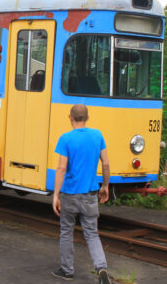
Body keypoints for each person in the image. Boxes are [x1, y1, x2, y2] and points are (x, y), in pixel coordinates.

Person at [52, 104, 111, 284]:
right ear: (87, 117)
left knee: (67, 231)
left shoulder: (66, 139)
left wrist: (55, 195)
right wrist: (105, 186)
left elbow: (62, 168)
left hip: (70, 194)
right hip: (91, 193)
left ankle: (67, 270)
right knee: (92, 233)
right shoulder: (97, 135)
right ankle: (101, 268)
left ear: (70, 117)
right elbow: (106, 164)